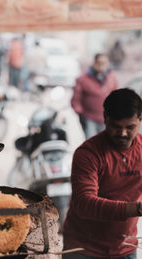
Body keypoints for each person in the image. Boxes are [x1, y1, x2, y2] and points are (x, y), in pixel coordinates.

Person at [63, 88, 142, 259]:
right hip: (82, 249)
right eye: (116, 126)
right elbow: (85, 203)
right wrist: (136, 208)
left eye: (130, 127)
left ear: (140, 120)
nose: (122, 133)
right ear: (105, 119)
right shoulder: (88, 154)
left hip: (126, 247)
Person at [71, 53, 118, 139]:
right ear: (94, 63)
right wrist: (80, 114)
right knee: (92, 145)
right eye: (99, 63)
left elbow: (116, 96)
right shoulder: (83, 79)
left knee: (106, 146)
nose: (101, 66)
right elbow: (75, 99)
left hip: (107, 119)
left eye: (104, 63)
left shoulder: (112, 77)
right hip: (89, 119)